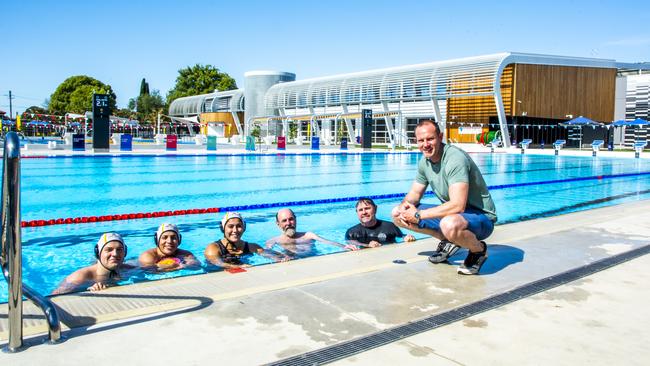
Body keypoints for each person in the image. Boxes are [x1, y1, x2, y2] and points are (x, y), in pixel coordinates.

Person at [392, 120, 497, 275]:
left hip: (480, 218)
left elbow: (457, 206)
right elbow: (414, 194)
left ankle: (478, 250)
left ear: (440, 137)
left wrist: (418, 214)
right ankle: (450, 240)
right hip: (455, 216)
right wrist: (404, 207)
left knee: (449, 223)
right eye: (421, 140)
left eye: (430, 139)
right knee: (397, 214)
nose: (425, 144)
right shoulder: (424, 162)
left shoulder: (455, 159)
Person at [53, 232, 134, 294]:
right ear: (98, 253)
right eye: (109, 250)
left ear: (125, 253)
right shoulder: (79, 277)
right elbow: (55, 297)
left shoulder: (127, 269)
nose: (115, 254)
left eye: (119, 249)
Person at [204, 212, 290, 268]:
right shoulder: (213, 248)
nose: (235, 230)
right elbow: (218, 263)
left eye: (239, 226)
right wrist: (238, 266)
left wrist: (281, 257)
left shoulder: (251, 247)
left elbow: (267, 253)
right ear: (223, 229)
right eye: (230, 226)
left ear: (244, 228)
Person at [265, 208, 359, 256]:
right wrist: (280, 257)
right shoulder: (273, 241)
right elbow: (268, 253)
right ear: (278, 224)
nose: (289, 223)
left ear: (295, 219)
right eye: (284, 221)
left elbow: (327, 242)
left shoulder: (308, 235)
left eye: (291, 219)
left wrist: (344, 246)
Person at [345, 197, 416, 247]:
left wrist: (407, 237)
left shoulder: (390, 226)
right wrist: (367, 246)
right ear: (357, 212)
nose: (364, 212)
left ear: (375, 209)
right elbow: (350, 243)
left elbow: (401, 237)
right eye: (360, 210)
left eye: (367, 208)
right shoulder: (351, 232)